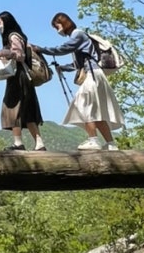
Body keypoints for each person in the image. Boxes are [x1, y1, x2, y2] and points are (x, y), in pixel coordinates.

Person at [33, 11, 124, 151]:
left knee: (83, 105)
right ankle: (110, 144)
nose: (57, 30)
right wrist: (63, 68)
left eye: (57, 27)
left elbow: (64, 48)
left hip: (93, 75)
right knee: (96, 111)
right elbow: (79, 64)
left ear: (62, 23)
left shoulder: (78, 34)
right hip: (96, 74)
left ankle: (93, 140)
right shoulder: (79, 36)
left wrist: (41, 49)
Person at [0, 11, 46, 152]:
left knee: (12, 106)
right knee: (28, 109)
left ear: (6, 22)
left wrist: (3, 53)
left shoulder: (13, 36)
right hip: (24, 77)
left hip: (18, 76)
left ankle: (18, 142)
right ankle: (39, 143)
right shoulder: (17, 36)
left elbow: (19, 55)